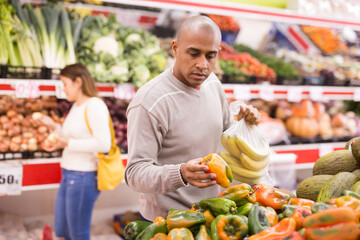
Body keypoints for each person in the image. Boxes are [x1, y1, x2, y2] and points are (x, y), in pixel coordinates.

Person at [125, 15, 260, 221]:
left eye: (210, 56)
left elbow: (224, 135)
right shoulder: (150, 102)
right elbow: (134, 174)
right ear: (175, 48)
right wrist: (180, 174)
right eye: (194, 53)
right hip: (167, 222)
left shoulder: (212, 83)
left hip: (212, 213)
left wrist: (244, 125)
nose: (202, 65)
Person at [36, 63, 111, 240]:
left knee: (78, 234)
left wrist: (66, 143)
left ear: (78, 82)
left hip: (83, 177)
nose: (64, 90)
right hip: (68, 174)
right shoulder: (76, 106)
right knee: (62, 231)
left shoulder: (95, 105)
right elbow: (69, 137)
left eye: (65, 84)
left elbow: (103, 144)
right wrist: (52, 126)